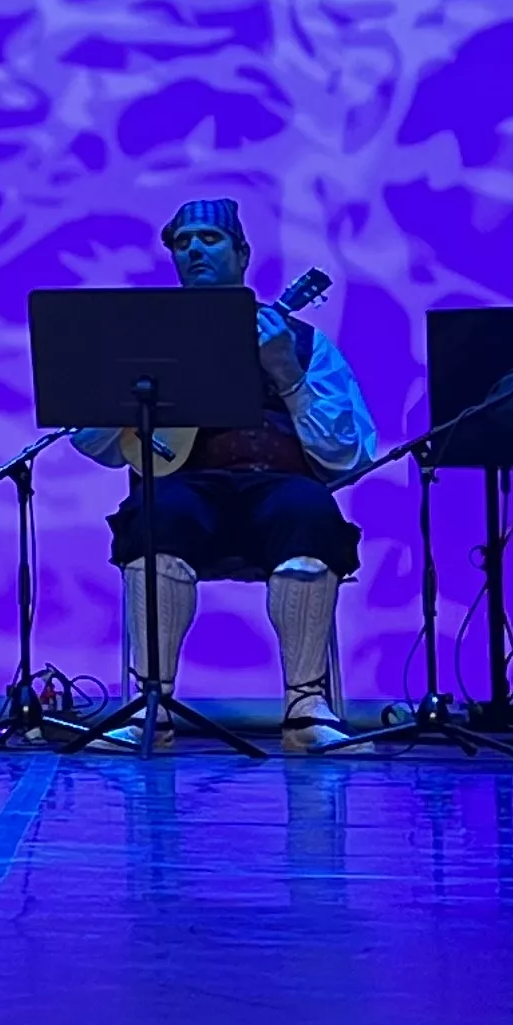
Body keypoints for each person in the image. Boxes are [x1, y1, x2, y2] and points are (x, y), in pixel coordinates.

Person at [64, 198, 377, 751]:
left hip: (278, 487)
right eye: (182, 243)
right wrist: (135, 385)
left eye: (209, 239)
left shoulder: (303, 343)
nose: (193, 250)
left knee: (310, 510)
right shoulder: (148, 343)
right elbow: (93, 444)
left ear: (243, 254)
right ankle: (152, 708)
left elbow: (349, 454)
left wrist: (288, 374)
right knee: (156, 513)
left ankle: (305, 709)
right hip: (187, 488)